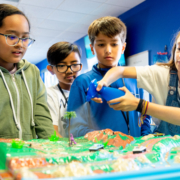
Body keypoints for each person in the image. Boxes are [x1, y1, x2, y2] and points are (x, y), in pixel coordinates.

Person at [66, 16, 151, 137]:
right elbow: (72, 126)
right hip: (101, 152)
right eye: (101, 44)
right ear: (92, 48)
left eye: (114, 44)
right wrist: (102, 137)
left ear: (123, 47)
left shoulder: (135, 78)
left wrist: (145, 137)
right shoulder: (82, 82)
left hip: (135, 151)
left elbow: (144, 116)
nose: (108, 50)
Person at [95, 31, 180, 136]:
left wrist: (140, 105)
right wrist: (104, 82)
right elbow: (119, 70)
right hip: (165, 146)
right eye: (179, 49)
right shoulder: (161, 73)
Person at [0, 4, 54, 140]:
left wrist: (57, 149)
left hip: (26, 156)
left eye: (25, 38)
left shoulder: (32, 72)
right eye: (11, 37)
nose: (20, 44)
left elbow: (43, 120)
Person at [46, 42, 82, 137]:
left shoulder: (86, 92)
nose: (70, 70)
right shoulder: (49, 94)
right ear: (51, 70)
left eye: (74, 65)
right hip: (64, 148)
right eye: (62, 66)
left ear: (80, 66)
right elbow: (53, 132)